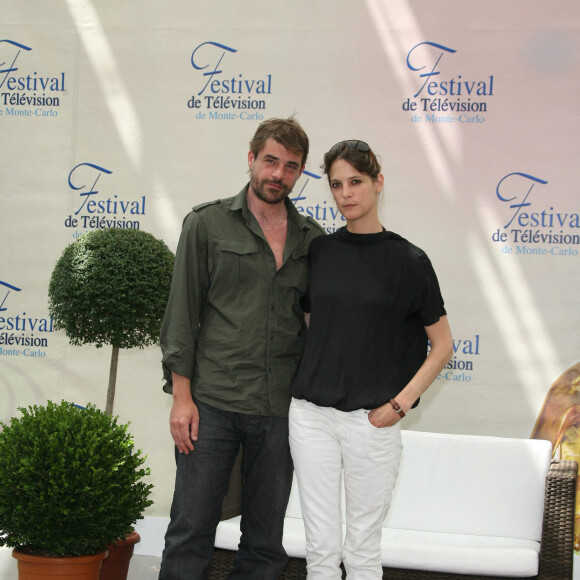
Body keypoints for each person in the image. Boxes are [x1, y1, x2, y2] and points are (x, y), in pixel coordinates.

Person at [158, 117, 325, 580]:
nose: (279, 174)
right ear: (251, 158)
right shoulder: (206, 224)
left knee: (265, 541)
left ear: (300, 173)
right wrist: (182, 397)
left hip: (280, 410)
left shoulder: (314, 241)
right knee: (191, 529)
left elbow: (317, 324)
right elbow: (181, 316)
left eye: (291, 167)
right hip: (211, 403)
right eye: (271, 161)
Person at [288, 140, 453, 579]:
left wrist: (400, 404)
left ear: (378, 183)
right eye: (337, 184)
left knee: (361, 550)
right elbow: (312, 320)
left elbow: (443, 346)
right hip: (310, 416)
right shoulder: (320, 252)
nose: (346, 193)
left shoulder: (410, 262)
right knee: (320, 549)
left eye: (356, 182)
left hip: (372, 422)